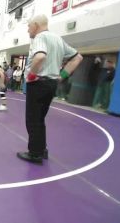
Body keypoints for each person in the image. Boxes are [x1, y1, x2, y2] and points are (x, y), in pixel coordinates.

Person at [17, 14, 83, 164]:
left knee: (33, 120)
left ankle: (35, 154)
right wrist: (62, 75)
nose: (28, 30)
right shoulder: (58, 39)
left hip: (39, 83)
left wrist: (32, 75)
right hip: (52, 84)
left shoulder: (40, 37)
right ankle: (42, 149)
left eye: (28, 26)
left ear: (35, 25)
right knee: (40, 118)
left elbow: (40, 57)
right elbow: (78, 57)